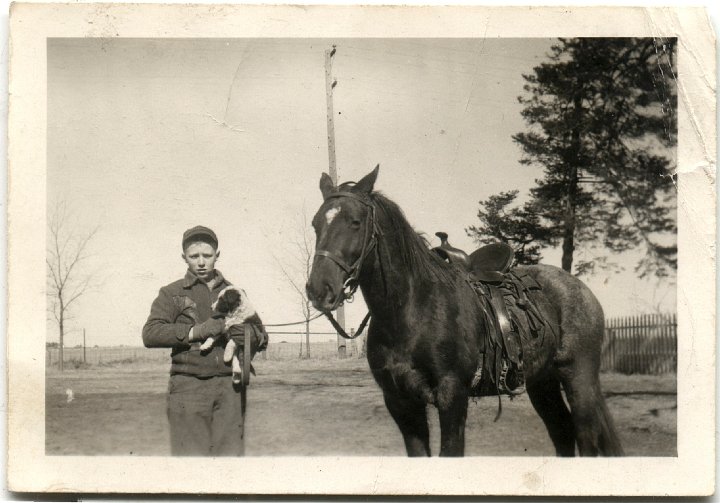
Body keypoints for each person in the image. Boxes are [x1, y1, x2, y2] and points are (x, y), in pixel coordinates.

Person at [142, 225, 259, 456]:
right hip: (188, 386)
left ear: (217, 255)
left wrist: (248, 335)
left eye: (207, 255)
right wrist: (197, 331)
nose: (201, 262)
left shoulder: (235, 291)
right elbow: (151, 333)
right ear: (184, 257)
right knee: (191, 464)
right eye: (194, 256)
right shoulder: (171, 293)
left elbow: (260, 333)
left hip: (230, 389)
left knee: (230, 463)